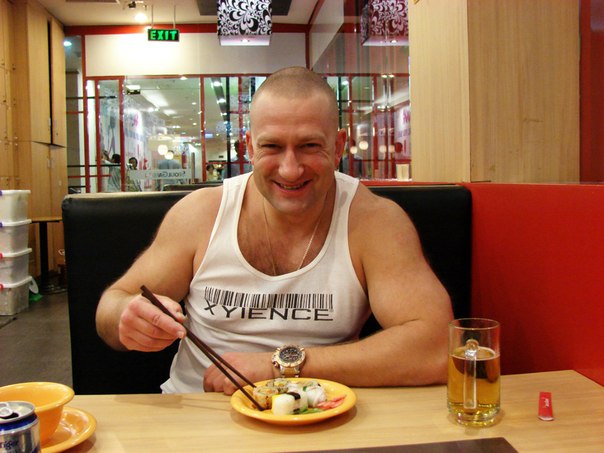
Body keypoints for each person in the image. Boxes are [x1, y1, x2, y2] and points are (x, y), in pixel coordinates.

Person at [96, 67, 452, 394]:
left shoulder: (373, 221)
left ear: (338, 146)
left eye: (310, 146)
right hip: (198, 412)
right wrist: (127, 316)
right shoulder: (201, 214)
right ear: (250, 147)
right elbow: (112, 306)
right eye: (272, 146)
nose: (290, 169)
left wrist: (280, 366)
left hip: (319, 414)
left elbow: (437, 347)